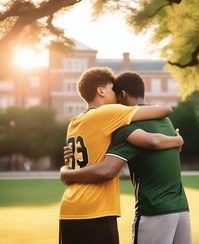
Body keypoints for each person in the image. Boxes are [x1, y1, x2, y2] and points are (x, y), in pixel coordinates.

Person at [61, 72, 191, 244]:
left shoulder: (74, 122)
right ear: (101, 91)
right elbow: (163, 113)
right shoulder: (110, 113)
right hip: (95, 209)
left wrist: (65, 171)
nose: (115, 95)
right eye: (111, 89)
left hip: (69, 207)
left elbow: (76, 160)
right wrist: (178, 140)